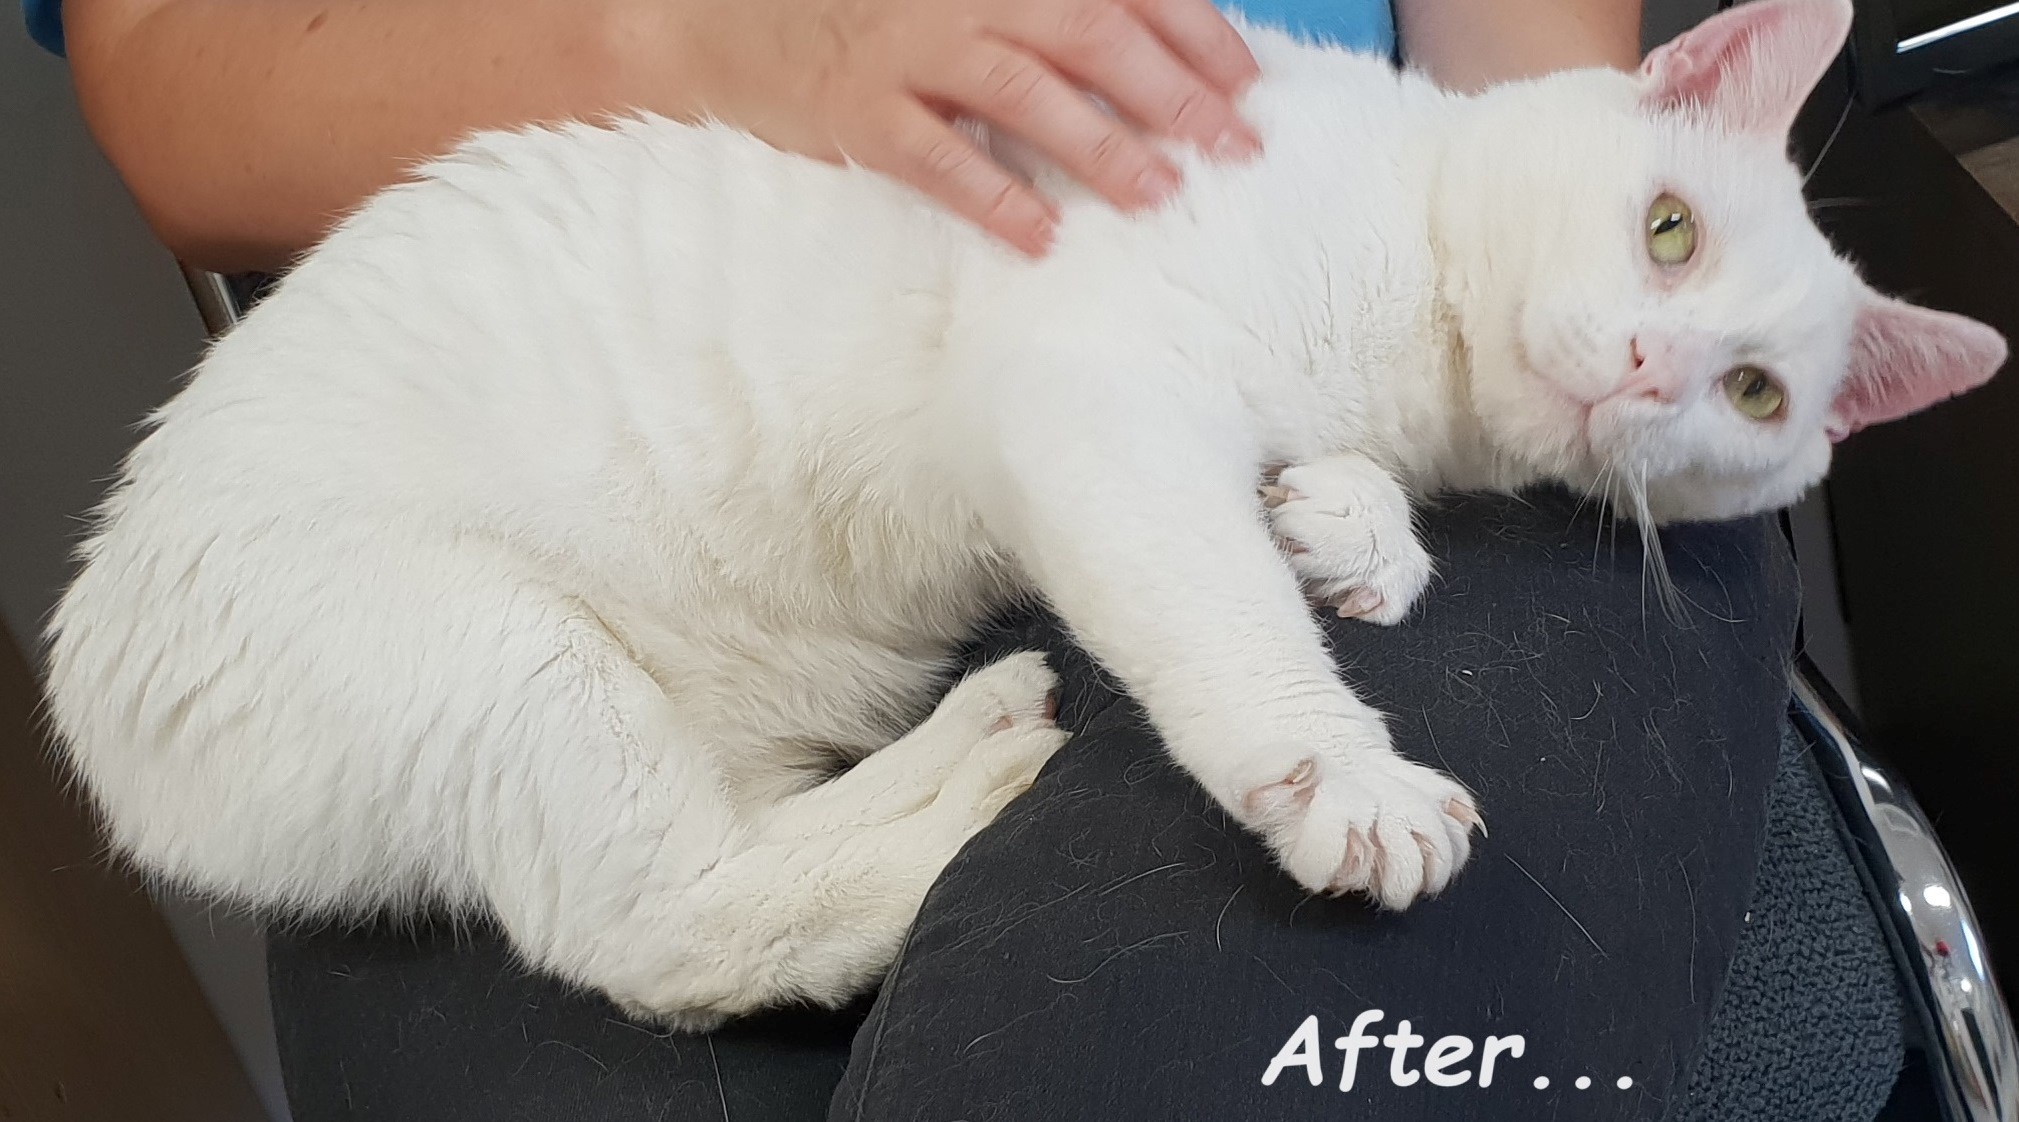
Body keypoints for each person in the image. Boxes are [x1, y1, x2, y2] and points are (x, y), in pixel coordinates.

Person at [27, 1, 1902, 1118]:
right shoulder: (1302, 191)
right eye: (1674, 245)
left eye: (1749, 384)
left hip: (823, 588)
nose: (1666, 361)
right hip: (431, 529)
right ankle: (703, 909)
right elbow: (178, 61)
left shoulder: (1440, 245)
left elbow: (1536, 103)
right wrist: (712, 31)